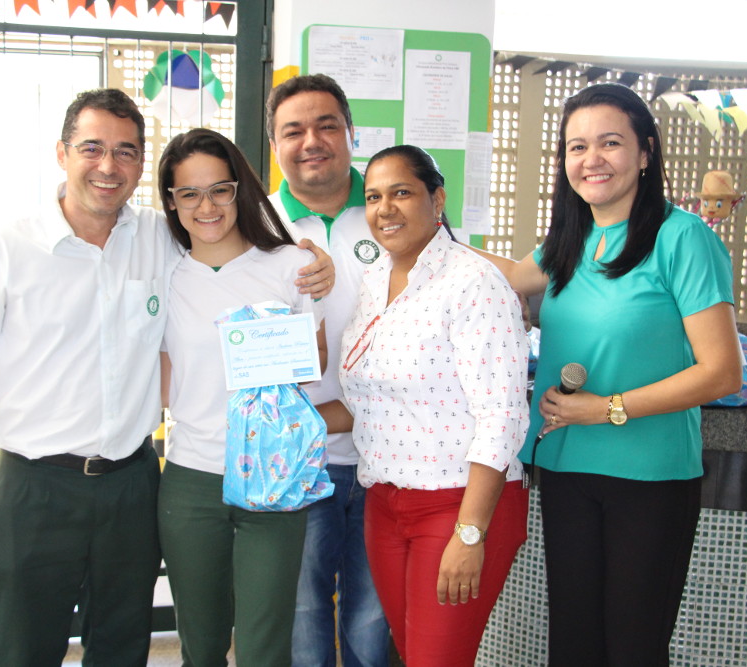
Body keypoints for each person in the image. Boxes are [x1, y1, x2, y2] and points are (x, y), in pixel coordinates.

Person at [0, 89, 334, 667]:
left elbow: (234, 241)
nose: (108, 165)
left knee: (121, 648)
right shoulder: (6, 247)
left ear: (141, 164)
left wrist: (313, 259)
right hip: (36, 487)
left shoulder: (157, 238)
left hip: (131, 483)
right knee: (22, 649)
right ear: (62, 153)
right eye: (92, 148)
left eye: (125, 151)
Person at [474, 83, 742, 666]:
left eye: (610, 142)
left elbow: (722, 372)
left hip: (649, 475)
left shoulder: (682, 237)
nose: (591, 158)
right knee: (572, 647)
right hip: (566, 467)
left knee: (632, 649)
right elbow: (502, 279)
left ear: (645, 152)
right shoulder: (569, 241)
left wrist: (605, 408)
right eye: (576, 147)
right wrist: (412, 231)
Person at [339, 145, 531, 666]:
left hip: (458, 504)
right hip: (385, 502)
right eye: (373, 197)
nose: (385, 208)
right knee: (412, 653)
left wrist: (470, 533)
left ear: (437, 199)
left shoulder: (474, 282)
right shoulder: (374, 280)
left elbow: (502, 415)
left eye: (401, 192)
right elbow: (371, 400)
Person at [156, 127, 328, 667]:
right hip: (192, 477)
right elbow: (161, 375)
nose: (206, 206)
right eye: (189, 193)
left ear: (240, 190)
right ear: (171, 201)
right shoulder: (164, 274)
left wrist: (274, 360)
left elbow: (315, 363)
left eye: (220, 190)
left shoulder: (289, 267)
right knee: (201, 644)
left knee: (263, 648)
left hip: (274, 471)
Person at [266, 73, 391, 667]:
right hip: (300, 461)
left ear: (350, 133)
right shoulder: (259, 225)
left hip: (391, 458)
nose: (311, 141)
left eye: (326, 126)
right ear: (275, 145)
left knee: (372, 620)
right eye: (293, 131)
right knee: (302, 616)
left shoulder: (395, 208)